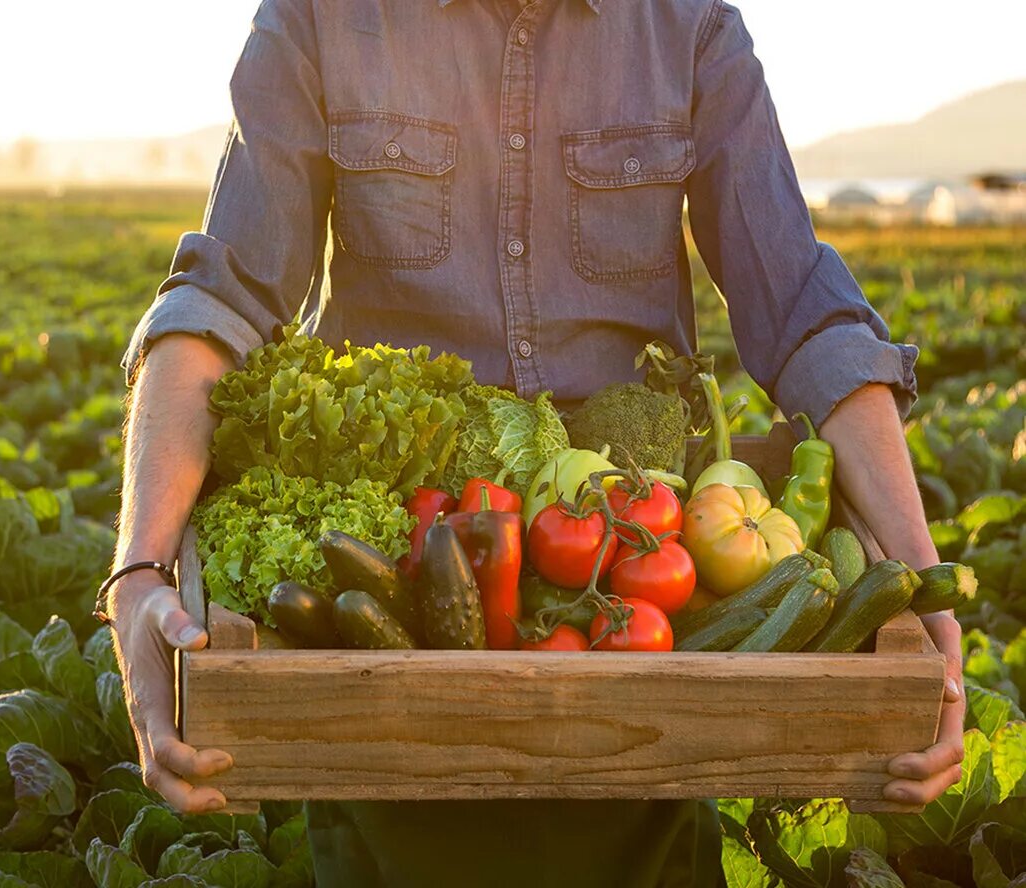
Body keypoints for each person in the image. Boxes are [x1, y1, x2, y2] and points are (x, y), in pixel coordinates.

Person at [105, 1, 965, 884]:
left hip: (637, 582)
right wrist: (139, 572)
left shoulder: (688, 25)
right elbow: (219, 302)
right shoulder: (323, 17)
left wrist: (920, 578)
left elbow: (806, 313)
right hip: (399, 592)